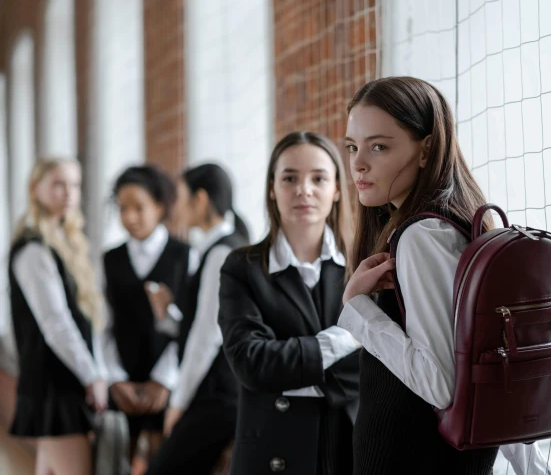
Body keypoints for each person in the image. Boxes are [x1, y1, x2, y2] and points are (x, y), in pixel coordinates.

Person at [338, 76, 549, 474]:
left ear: (426, 149)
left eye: (378, 146)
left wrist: (358, 309)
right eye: (352, 147)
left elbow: (441, 384)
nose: (358, 163)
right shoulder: (457, 224)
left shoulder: (422, 235)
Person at [218, 132, 360, 475]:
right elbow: (251, 363)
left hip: (350, 443)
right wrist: (349, 337)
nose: (304, 189)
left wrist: (289, 366)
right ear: (272, 187)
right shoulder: (242, 266)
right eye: (290, 178)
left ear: (338, 189)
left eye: (318, 178)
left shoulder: (363, 264)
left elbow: (374, 368)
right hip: (272, 448)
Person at [144, 163, 249, 475]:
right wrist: (167, 312)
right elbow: (201, 327)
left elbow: (207, 337)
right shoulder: (220, 247)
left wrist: (178, 403)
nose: (175, 207)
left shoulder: (220, 253)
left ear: (200, 200)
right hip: (217, 394)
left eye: (180, 197)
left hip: (217, 398)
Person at [8, 157, 108, 475]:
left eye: (75, 185)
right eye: (59, 184)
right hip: (55, 387)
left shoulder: (62, 243)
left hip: (62, 382)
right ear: (35, 189)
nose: (69, 193)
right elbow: (55, 323)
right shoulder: (33, 249)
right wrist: (92, 376)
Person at [102, 165, 194, 457]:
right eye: (122, 208)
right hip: (122, 384)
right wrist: (115, 378)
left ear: (159, 206)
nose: (129, 217)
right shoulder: (109, 259)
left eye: (138, 208)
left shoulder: (185, 255)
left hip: (169, 383)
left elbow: (192, 327)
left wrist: (163, 380)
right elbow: (103, 324)